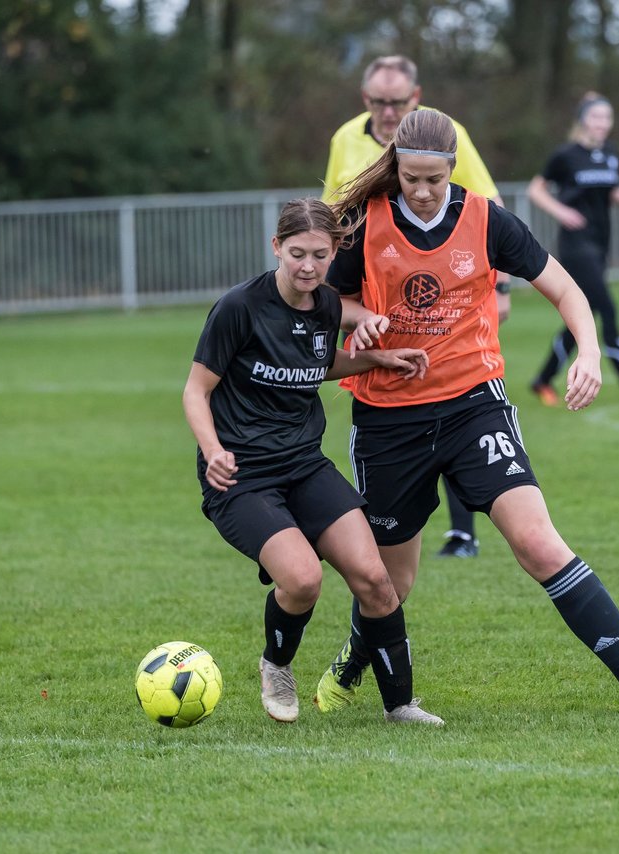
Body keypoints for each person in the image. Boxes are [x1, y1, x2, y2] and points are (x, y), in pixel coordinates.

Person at [312, 109, 619, 721]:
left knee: (540, 546)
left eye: (432, 180)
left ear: (451, 169)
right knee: (391, 585)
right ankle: (351, 665)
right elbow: (327, 303)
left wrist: (590, 353)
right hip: (390, 418)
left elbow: (568, 291)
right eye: (409, 177)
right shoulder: (366, 224)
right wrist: (363, 326)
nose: (419, 190)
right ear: (395, 167)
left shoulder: (487, 220)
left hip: (474, 407)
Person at [182, 197, 443, 726]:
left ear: (334, 252)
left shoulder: (325, 305)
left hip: (303, 464)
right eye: (296, 253)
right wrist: (213, 452)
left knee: (374, 578)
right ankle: (276, 665)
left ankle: (400, 706)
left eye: (319, 255)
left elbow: (316, 363)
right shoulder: (240, 307)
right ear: (276, 247)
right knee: (302, 580)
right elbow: (195, 390)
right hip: (242, 476)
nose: (307, 266)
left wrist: (375, 357)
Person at [323, 54, 510, 560]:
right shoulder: (346, 139)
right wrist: (340, 307)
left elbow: (485, 210)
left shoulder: (449, 135)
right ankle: (393, 531)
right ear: (366, 100)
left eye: (397, 102)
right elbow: (333, 224)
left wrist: (502, 290)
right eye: (378, 102)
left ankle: (463, 529)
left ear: (416, 97)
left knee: (457, 392)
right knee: (398, 414)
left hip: (445, 302)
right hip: (373, 306)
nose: (387, 111)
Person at [528, 93, 619, 405]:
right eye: (597, 117)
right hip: (576, 246)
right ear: (583, 120)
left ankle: (542, 379)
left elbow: (613, 191)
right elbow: (535, 189)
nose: (603, 124)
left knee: (580, 316)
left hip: (601, 242)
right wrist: (560, 211)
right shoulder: (565, 155)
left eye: (607, 118)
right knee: (607, 310)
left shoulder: (611, 153)